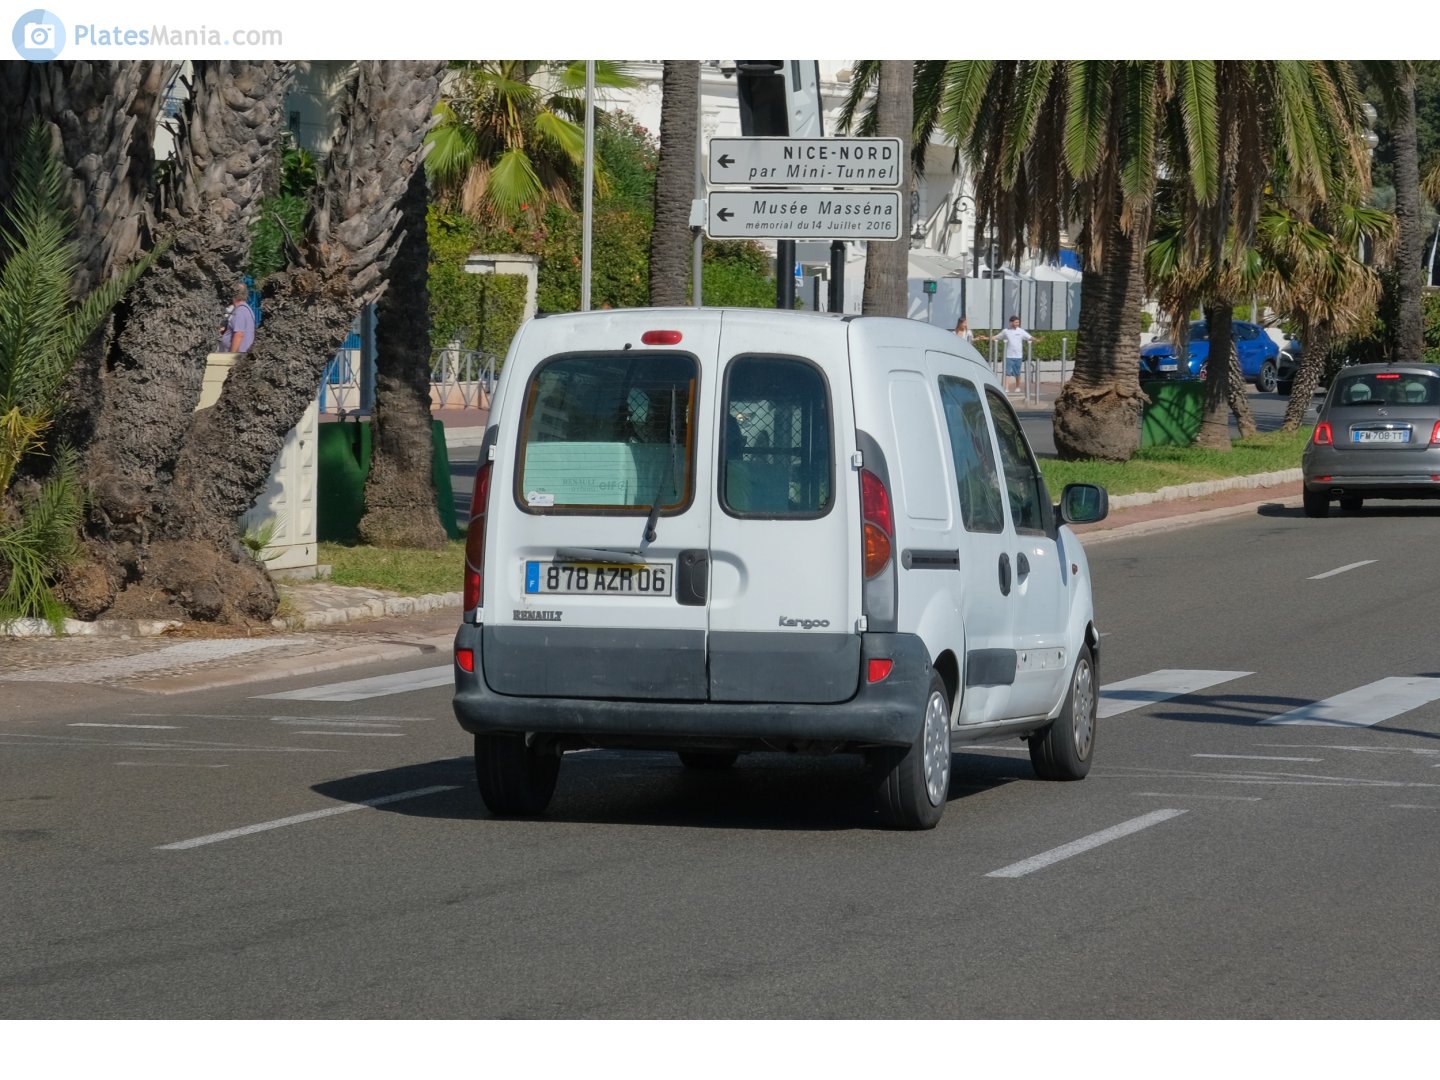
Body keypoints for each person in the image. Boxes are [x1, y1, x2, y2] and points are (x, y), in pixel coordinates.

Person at [996, 314, 1038, 395]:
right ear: (1011, 323)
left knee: (1017, 373)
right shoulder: (1006, 331)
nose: (1017, 324)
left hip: (1018, 356)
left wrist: (1037, 340)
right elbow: (997, 337)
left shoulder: (1021, 331)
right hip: (1009, 356)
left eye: (1018, 322)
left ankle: (1017, 386)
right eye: (1015, 322)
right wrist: (987, 337)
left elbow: (1029, 337)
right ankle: (1006, 388)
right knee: (1007, 372)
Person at [220, 286, 256, 353]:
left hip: (238, 355)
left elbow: (239, 335)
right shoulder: (246, 309)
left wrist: (231, 356)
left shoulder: (240, 311)